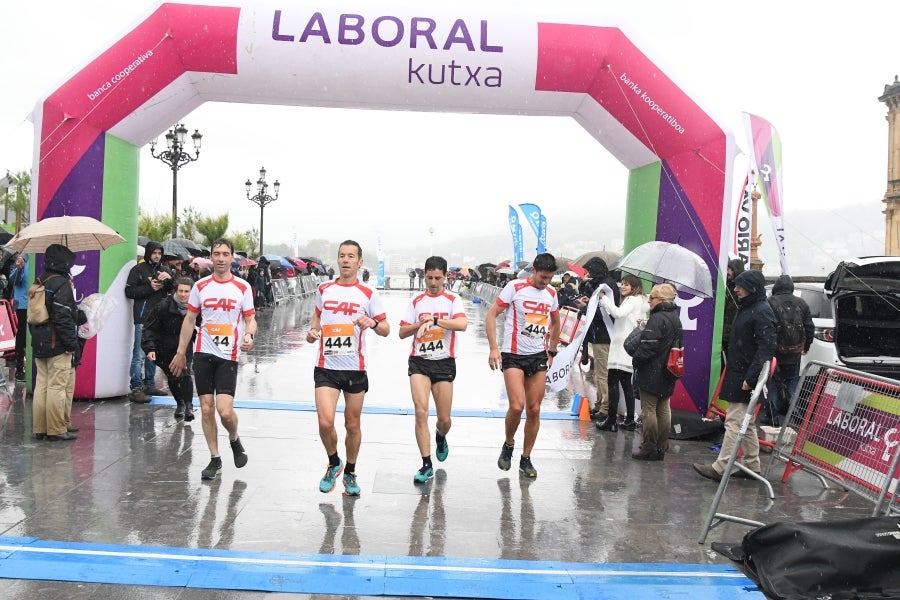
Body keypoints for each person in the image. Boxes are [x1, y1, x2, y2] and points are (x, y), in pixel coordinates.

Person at [306, 240, 388, 497]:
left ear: (359, 262)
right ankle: (334, 462)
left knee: (352, 425)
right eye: (342, 256)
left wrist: (372, 322)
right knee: (325, 421)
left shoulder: (368, 294)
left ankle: (350, 472)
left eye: (351, 256)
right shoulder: (324, 289)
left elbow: (386, 329)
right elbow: (317, 316)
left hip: (354, 368)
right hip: (326, 366)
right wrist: (313, 331)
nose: (345, 260)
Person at [170, 238, 256, 481]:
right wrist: (180, 352)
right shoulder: (200, 286)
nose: (220, 258)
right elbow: (190, 319)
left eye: (225, 254)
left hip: (228, 355)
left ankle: (234, 438)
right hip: (203, 352)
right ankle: (214, 458)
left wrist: (249, 334)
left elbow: (251, 318)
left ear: (231, 258)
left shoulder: (242, 287)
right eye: (216, 254)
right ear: (211, 257)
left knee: (224, 410)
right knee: (207, 408)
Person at [693, 269, 776, 480]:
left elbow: (766, 347)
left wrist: (751, 378)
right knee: (744, 422)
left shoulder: (761, 311)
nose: (736, 289)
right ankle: (752, 465)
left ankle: (720, 468)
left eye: (740, 286)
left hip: (745, 376)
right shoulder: (750, 307)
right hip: (739, 372)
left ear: (752, 288)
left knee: (733, 422)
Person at [485, 252, 561, 479]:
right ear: (534, 271)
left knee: (534, 409)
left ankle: (526, 458)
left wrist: (552, 351)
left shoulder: (551, 293)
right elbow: (491, 316)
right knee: (517, 406)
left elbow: (556, 323)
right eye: (542, 277)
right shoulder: (514, 287)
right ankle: (508, 444)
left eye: (549, 278)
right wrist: (493, 347)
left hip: (537, 355)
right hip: (513, 354)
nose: (545, 282)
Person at [398, 256, 468, 483]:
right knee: (421, 411)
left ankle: (440, 436)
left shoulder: (452, 299)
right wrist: (420, 324)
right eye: (429, 278)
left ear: (445, 277)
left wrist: (436, 321)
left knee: (444, 419)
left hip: (444, 362)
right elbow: (401, 332)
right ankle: (426, 464)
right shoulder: (417, 301)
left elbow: (462, 325)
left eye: (438, 278)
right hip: (419, 361)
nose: (433, 282)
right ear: (424, 276)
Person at [29, 244, 80, 442]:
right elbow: (63, 317)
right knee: (57, 386)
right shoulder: (61, 283)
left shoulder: (40, 280)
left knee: (42, 385)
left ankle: (40, 428)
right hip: (56, 342)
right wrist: (70, 344)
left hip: (39, 341)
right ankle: (57, 429)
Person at [628, 283, 682, 460]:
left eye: (652, 297)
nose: (649, 300)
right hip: (668, 370)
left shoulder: (657, 318)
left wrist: (636, 360)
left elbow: (648, 347)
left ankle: (649, 446)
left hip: (652, 370)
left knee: (649, 409)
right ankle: (661, 444)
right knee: (664, 408)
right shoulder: (675, 317)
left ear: (662, 300)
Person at [596, 273, 647, 432]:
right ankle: (630, 420)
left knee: (613, 384)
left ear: (634, 286)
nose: (622, 286)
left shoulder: (632, 300)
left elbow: (618, 313)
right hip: (630, 348)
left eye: (627, 284)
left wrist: (603, 299)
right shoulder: (643, 301)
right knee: (626, 385)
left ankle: (611, 421)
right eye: (622, 283)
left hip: (620, 348)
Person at [142, 277, 198, 422]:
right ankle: (180, 403)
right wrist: (150, 348)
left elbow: (204, 325)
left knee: (185, 373)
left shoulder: (196, 307)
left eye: (187, 292)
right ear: (175, 290)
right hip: (164, 346)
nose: (183, 295)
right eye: (180, 291)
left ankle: (189, 406)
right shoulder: (163, 306)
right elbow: (150, 327)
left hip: (184, 345)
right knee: (172, 376)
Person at [124, 242, 174, 403]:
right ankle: (136, 387)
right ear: (148, 253)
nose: (157, 255)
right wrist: (149, 287)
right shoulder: (138, 270)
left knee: (153, 353)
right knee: (139, 354)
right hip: (143, 317)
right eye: (154, 252)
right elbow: (129, 291)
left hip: (159, 318)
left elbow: (174, 291)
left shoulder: (164, 269)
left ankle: (149, 384)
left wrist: (170, 280)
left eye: (159, 253)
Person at [765, 274, 814, 422]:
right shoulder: (802, 303)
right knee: (793, 382)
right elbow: (809, 327)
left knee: (772, 383)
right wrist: (806, 346)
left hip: (775, 352)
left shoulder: (770, 302)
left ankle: (773, 417)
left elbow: (766, 328)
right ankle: (796, 414)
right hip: (795, 351)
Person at [576, 257, 620, 420]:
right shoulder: (606, 283)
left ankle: (605, 407)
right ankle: (600, 403)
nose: (590, 275)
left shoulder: (606, 286)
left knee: (603, 374)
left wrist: (587, 307)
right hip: (600, 334)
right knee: (601, 373)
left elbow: (604, 312)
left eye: (591, 271)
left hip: (604, 335)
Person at [7, 253, 29, 381]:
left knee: (33, 336)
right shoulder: (22, 261)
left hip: (36, 305)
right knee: (21, 336)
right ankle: (19, 369)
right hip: (21, 305)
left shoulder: (41, 262)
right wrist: (19, 267)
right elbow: (12, 281)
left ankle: (31, 367)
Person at [721, 258, 745, 361]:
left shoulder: (742, 288)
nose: (728, 272)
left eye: (730, 269)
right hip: (725, 331)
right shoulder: (726, 285)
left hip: (733, 333)